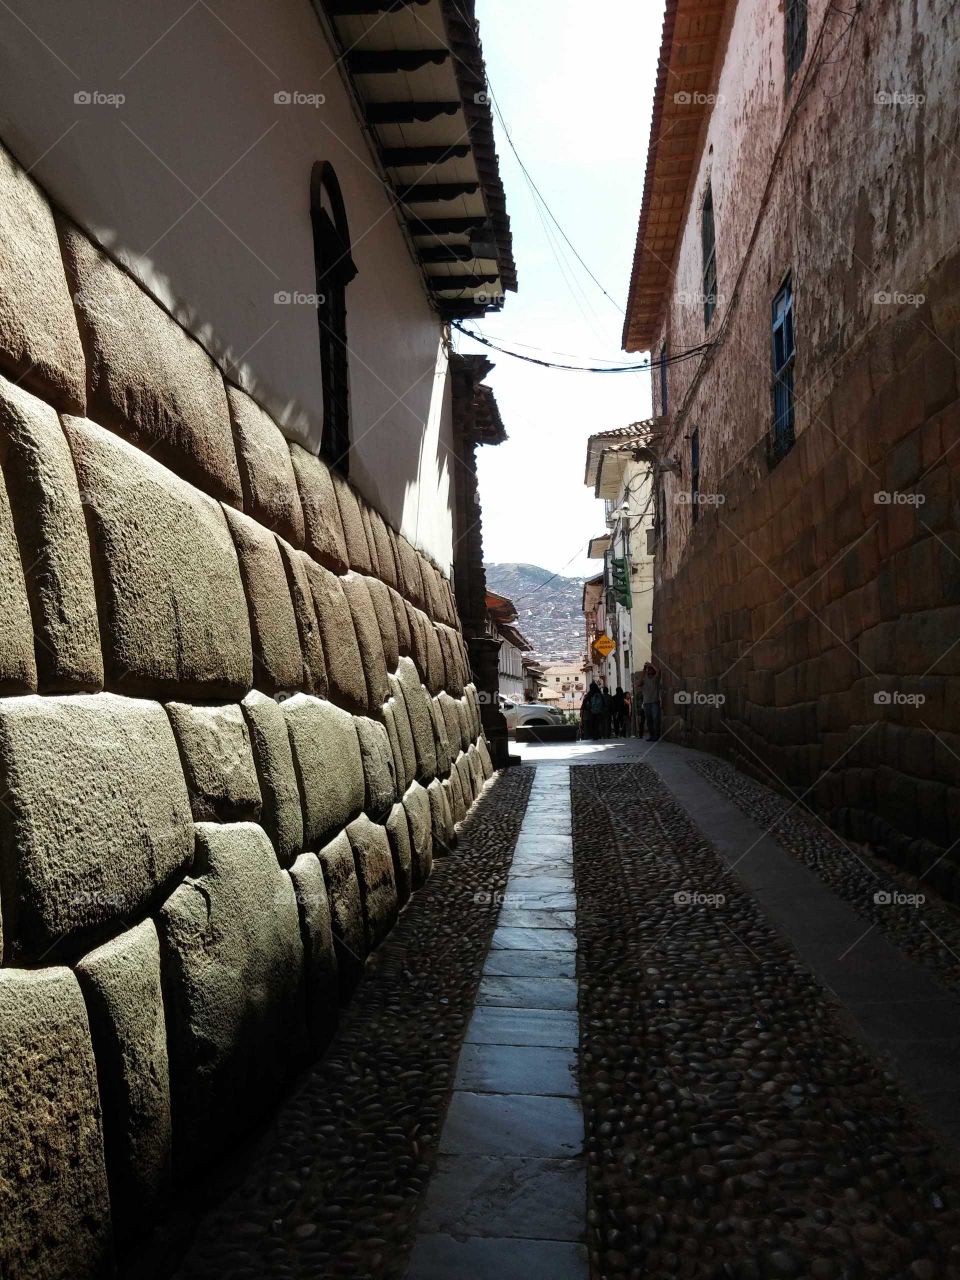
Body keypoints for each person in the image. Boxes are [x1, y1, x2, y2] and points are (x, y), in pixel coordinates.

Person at [642, 662, 662, 741]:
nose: (649, 671)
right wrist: (644, 669)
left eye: (650, 669)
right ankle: (651, 735)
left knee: (656, 719)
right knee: (649, 720)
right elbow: (638, 683)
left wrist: (651, 664)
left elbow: (659, 671)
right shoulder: (644, 678)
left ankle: (657, 736)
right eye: (648, 669)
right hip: (646, 702)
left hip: (654, 702)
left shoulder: (656, 678)